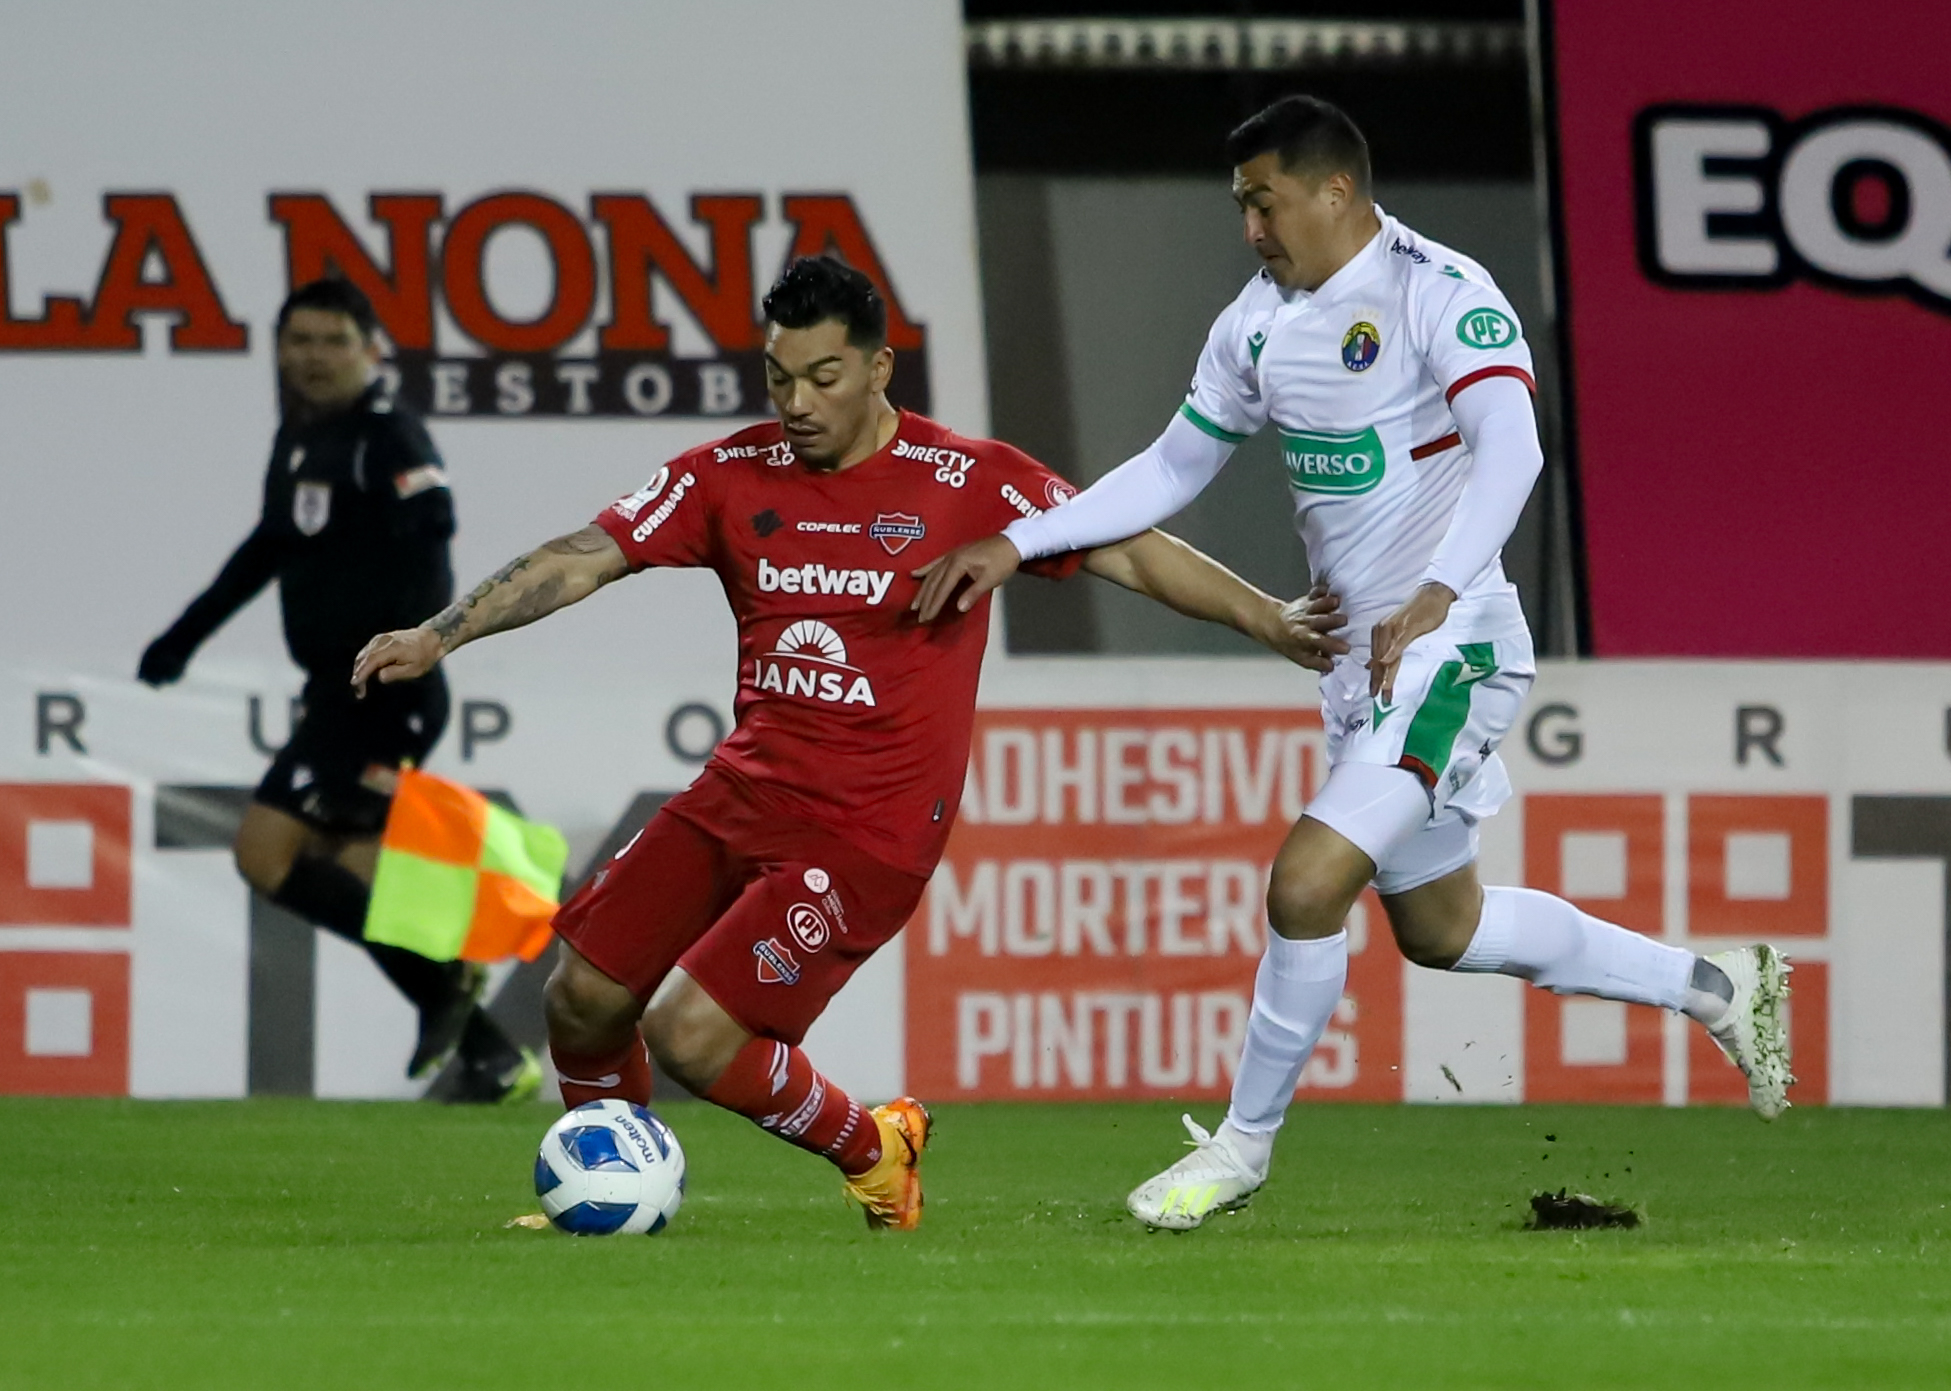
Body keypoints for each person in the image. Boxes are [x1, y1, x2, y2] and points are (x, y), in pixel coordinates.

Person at [913, 96, 1796, 1231]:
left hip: (1458, 645)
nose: (1251, 229)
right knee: (1444, 929)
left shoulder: (1441, 291)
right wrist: (1022, 539)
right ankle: (1719, 986)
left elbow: (1513, 447)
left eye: (1263, 202)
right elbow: (1172, 467)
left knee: (1305, 882)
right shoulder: (1255, 326)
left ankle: (1238, 1149)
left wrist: (1437, 588)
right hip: (1365, 673)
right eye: (1240, 207)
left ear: (1336, 190)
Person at [350, 255, 1342, 1229]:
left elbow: (1127, 543)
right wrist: (441, 631)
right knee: (581, 997)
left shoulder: (970, 480)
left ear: (877, 369)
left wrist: (1270, 619)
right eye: (779, 378)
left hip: (866, 831)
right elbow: (583, 556)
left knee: (691, 1033)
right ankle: (612, 1191)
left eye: (823, 377)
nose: (797, 401)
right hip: (742, 792)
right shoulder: (732, 472)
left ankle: (877, 1150)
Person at [139, 276, 536, 1103]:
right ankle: (496, 1055)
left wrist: (414, 641)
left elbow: (433, 535)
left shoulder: (389, 437)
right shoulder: (301, 435)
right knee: (353, 865)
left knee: (264, 850)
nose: (313, 357)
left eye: (332, 341)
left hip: (376, 692)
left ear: (371, 350)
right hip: (337, 691)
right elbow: (269, 546)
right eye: (299, 341)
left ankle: (447, 981)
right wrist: (184, 634)